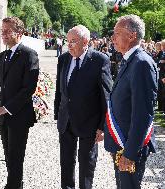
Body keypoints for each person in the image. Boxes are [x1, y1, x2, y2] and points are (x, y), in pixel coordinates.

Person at [0, 17, 39, 189]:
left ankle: (12, 186)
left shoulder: (29, 55)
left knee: (16, 157)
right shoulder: (0, 57)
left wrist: (5, 108)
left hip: (18, 115)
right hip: (3, 117)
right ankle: (16, 183)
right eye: (1, 31)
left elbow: (28, 88)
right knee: (8, 156)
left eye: (6, 31)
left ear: (19, 33)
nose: (2, 34)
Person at [54, 25, 112, 189]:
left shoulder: (100, 60)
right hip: (66, 121)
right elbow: (60, 90)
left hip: (90, 122)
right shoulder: (64, 59)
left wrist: (103, 126)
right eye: (68, 41)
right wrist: (58, 115)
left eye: (73, 41)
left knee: (86, 163)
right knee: (66, 162)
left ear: (85, 41)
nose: (69, 45)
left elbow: (106, 95)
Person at [104, 15, 157, 189]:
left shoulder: (141, 63)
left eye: (117, 33)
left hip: (129, 146)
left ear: (132, 35)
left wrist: (130, 153)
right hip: (122, 142)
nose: (113, 38)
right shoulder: (130, 60)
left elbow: (143, 113)